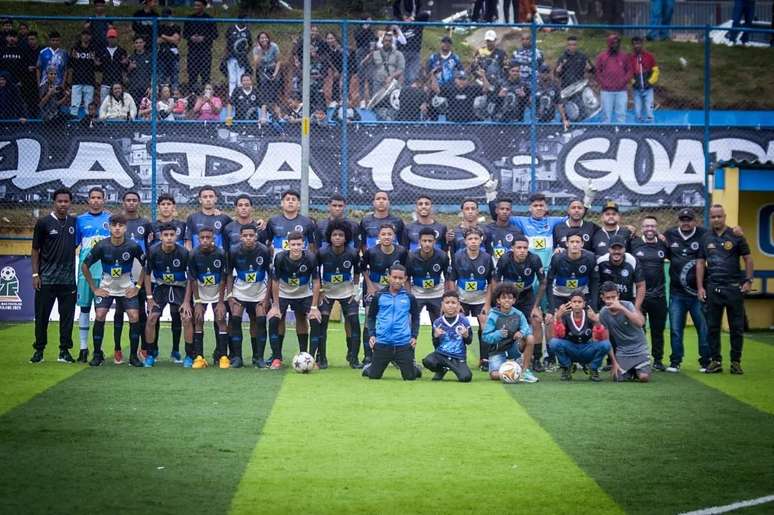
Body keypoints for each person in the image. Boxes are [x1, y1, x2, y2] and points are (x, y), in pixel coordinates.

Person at [81, 214, 145, 367]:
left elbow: (146, 265)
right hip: (106, 288)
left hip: (126, 288)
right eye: (114, 225)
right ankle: (97, 355)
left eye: (120, 225)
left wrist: (137, 287)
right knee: (100, 314)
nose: (117, 228)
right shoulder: (102, 245)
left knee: (134, 316)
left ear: (125, 228)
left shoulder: (133, 246)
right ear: (109, 227)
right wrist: (94, 288)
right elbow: (84, 265)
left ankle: (133, 357)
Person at [696, 204, 754, 375]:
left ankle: (736, 362)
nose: (716, 219)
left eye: (719, 216)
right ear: (710, 218)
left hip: (734, 289)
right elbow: (700, 263)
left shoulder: (736, 235)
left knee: (736, 327)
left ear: (724, 216)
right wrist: (700, 287)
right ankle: (716, 361)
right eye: (713, 217)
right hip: (713, 288)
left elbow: (748, 260)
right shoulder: (705, 237)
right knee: (713, 327)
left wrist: (748, 281)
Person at [29, 187, 77, 364]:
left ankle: (64, 351)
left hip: (68, 281)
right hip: (46, 279)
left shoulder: (74, 222)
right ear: (54, 202)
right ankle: (39, 351)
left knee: (67, 319)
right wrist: (35, 274)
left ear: (70, 203)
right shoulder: (43, 223)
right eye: (60, 201)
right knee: (41, 317)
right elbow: (35, 250)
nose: (63, 204)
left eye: (66, 201)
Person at [267, 231, 322, 369]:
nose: (296, 247)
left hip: (304, 294)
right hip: (283, 294)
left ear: (303, 245)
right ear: (288, 245)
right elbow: (275, 281)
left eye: (299, 244)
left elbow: (316, 282)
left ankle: (309, 357)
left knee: (313, 320)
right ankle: (276, 357)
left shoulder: (310, 257)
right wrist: (275, 305)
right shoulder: (279, 257)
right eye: (293, 244)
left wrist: (314, 307)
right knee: (275, 319)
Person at [665, 208, 709, 372]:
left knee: (702, 328)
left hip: (698, 293)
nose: (685, 222)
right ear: (679, 221)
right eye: (682, 219)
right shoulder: (670, 234)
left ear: (695, 221)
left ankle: (705, 361)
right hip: (677, 293)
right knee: (676, 329)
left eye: (688, 219)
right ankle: (675, 362)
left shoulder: (704, 234)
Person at [494, 234, 546, 373]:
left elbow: (543, 283)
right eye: (519, 248)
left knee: (536, 321)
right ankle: (502, 356)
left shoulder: (534, 259)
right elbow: (496, 281)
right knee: (503, 322)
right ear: (512, 249)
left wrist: (536, 307)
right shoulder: (504, 259)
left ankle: (537, 358)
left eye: (525, 248)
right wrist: (498, 301)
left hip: (527, 295)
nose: (522, 250)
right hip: (509, 295)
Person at [314, 220, 361, 369]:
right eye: (334, 235)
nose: (338, 237)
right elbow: (316, 274)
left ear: (346, 237)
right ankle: (321, 357)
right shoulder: (322, 252)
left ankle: (353, 357)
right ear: (330, 237)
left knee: (353, 321)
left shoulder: (353, 253)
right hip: (327, 291)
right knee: (323, 322)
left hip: (347, 292)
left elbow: (357, 273)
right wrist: (321, 291)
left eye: (341, 235)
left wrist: (355, 291)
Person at [143, 223, 191, 368]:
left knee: (186, 318)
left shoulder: (184, 253)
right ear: (160, 236)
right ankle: (150, 354)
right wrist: (149, 298)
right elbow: (146, 274)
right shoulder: (153, 251)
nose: (169, 238)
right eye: (166, 235)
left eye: (172, 235)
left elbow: (190, 278)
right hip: (161, 288)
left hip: (179, 288)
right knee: (151, 318)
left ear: (176, 236)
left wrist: (187, 301)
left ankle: (187, 355)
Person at [361, 223, 409, 365]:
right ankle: (368, 356)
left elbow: (407, 272)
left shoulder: (402, 252)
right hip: (375, 288)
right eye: (383, 234)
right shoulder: (371, 252)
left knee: (395, 321)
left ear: (394, 236)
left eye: (389, 234)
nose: (386, 237)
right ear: (378, 236)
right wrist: (370, 285)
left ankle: (396, 356)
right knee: (370, 319)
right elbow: (363, 268)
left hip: (395, 289)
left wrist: (406, 291)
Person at [364, 264, 421, 380]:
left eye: (400, 278)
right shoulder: (379, 296)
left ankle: (414, 369)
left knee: (410, 377)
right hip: (383, 342)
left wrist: (414, 336)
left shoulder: (409, 297)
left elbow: (415, 317)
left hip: (403, 343)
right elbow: (371, 317)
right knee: (374, 376)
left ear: (405, 279)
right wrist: (372, 335)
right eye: (394, 277)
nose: (397, 281)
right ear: (388, 277)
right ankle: (370, 368)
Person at [226, 223, 271, 369]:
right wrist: (230, 295)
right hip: (240, 291)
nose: (248, 238)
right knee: (235, 320)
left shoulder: (263, 250)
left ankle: (258, 358)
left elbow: (271, 276)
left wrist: (266, 298)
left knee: (260, 320)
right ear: (240, 237)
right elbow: (228, 273)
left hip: (259, 292)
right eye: (245, 236)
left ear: (256, 237)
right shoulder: (233, 251)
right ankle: (238, 358)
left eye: (251, 235)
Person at [148, 193, 186, 363]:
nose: (165, 206)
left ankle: (176, 350)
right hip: (159, 278)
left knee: (176, 314)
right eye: (162, 204)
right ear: (158, 207)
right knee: (153, 315)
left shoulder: (183, 225)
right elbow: (147, 247)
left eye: (169, 203)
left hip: (178, 280)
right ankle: (152, 349)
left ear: (173, 207)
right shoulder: (151, 226)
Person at [449, 227, 494, 371]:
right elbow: (451, 280)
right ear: (465, 241)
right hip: (462, 299)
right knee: (458, 326)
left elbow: (492, 283)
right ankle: (458, 358)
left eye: (476, 239)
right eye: (470, 239)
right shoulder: (457, 256)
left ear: (481, 240)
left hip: (480, 299)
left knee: (485, 324)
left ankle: (485, 359)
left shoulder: (487, 258)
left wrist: (487, 304)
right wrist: (456, 302)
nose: (473, 241)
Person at [74, 187, 111, 363]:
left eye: (99, 197)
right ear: (88, 200)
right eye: (93, 197)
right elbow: (74, 245)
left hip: (104, 272)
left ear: (104, 200)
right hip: (85, 272)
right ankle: (83, 348)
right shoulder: (79, 221)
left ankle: (99, 349)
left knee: (100, 311)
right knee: (84, 308)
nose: (96, 200)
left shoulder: (110, 220)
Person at [630, 216, 669, 371]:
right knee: (638, 330)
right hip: (640, 296)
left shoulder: (663, 245)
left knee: (657, 330)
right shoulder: (634, 244)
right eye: (647, 226)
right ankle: (641, 359)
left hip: (658, 296)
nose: (650, 229)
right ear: (642, 228)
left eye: (653, 226)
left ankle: (658, 360)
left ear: (657, 227)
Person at [187, 227, 229, 369]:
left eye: (208, 237)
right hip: (201, 292)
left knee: (221, 319)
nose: (205, 240)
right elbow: (192, 280)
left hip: (218, 292)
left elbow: (223, 279)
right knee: (198, 320)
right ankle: (199, 357)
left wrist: (222, 302)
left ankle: (223, 356)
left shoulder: (221, 253)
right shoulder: (193, 254)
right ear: (198, 239)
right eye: (202, 238)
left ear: (213, 239)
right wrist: (197, 302)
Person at [481, 282, 538, 383]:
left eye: (510, 298)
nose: (507, 300)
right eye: (504, 297)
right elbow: (485, 337)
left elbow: (526, 329)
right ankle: (513, 372)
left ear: (514, 300)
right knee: (494, 376)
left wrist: (521, 332)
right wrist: (498, 334)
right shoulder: (493, 315)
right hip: (498, 351)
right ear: (498, 300)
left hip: (513, 348)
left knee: (530, 338)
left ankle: (524, 371)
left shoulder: (518, 314)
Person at [549, 290, 611, 382]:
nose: (577, 304)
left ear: (584, 303)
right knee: (553, 342)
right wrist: (558, 318)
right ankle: (567, 366)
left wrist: (597, 322)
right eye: (574, 302)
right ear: (570, 303)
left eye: (579, 302)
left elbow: (600, 338)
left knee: (606, 344)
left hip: (587, 350)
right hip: (571, 350)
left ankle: (593, 368)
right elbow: (559, 336)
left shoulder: (590, 315)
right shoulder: (565, 316)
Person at [598, 281, 651, 382]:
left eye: (613, 297)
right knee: (617, 378)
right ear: (602, 298)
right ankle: (631, 371)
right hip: (623, 351)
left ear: (618, 295)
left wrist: (622, 308)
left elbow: (640, 323)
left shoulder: (628, 305)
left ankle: (638, 369)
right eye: (608, 298)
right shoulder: (603, 313)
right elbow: (606, 339)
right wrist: (614, 362)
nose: (611, 300)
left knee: (644, 378)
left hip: (640, 349)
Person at [406, 227, 451, 330]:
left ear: (434, 242)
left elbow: (448, 277)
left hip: (437, 293)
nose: (427, 244)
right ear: (419, 242)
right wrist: (409, 296)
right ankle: (410, 345)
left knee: (440, 328)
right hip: (417, 293)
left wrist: (445, 296)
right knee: (411, 325)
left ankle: (439, 346)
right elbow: (406, 279)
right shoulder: (411, 257)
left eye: (430, 241)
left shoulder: (443, 256)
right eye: (424, 241)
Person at [423, 291, 473, 382]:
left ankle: (452, 368)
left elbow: (469, 341)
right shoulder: (437, 322)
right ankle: (441, 370)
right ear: (442, 304)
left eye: (453, 303)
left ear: (458, 305)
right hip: (441, 355)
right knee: (427, 361)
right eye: (447, 303)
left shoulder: (464, 322)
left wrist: (466, 335)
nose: (450, 305)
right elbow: (436, 344)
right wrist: (436, 336)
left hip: (458, 357)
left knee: (465, 377)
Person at [597, 235, 645, 311]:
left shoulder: (632, 261)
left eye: (620, 249)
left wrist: (636, 308)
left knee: (639, 321)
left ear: (625, 249)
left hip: (628, 302)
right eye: (613, 249)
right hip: (607, 304)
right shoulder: (601, 261)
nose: (616, 252)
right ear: (609, 249)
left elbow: (641, 286)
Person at [595, 34, 631, 124]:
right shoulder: (602, 57)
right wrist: (603, 83)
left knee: (621, 114)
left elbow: (630, 70)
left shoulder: (624, 56)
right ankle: (605, 133)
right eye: (613, 43)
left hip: (621, 90)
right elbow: (597, 71)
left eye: (617, 43)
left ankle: (621, 133)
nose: (615, 45)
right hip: (606, 91)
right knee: (606, 115)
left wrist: (623, 81)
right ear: (609, 44)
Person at [183, 0, 218, 91]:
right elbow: (185, 34)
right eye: (195, 5)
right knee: (192, 73)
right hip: (193, 50)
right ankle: (192, 94)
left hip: (205, 51)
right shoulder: (189, 18)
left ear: (204, 6)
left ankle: (205, 94)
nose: (196, 7)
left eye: (198, 5)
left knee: (205, 74)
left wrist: (204, 38)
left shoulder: (210, 19)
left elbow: (215, 34)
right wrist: (191, 37)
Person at [185, 185, 232, 250]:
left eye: (211, 196)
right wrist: (190, 256)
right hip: (197, 258)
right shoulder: (192, 218)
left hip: (218, 258)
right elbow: (188, 241)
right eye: (205, 197)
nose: (208, 199)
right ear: (200, 200)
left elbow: (231, 240)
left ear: (215, 199)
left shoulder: (224, 218)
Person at [485, 197, 524, 264]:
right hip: (490, 267)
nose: (504, 211)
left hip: (509, 268)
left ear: (511, 211)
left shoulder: (517, 231)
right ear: (496, 210)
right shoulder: (487, 229)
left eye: (507, 209)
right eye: (502, 209)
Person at [630, 36, 658, 123]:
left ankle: (651, 125)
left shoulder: (649, 56)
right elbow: (628, 73)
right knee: (637, 111)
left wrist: (650, 82)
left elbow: (656, 71)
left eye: (638, 44)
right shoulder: (631, 58)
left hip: (648, 89)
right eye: (635, 44)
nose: (637, 46)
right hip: (636, 89)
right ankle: (638, 126)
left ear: (642, 44)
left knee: (649, 110)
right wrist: (633, 82)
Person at [252, 31, 280, 117]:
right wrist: (260, 52)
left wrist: (275, 73)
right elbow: (255, 64)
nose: (264, 39)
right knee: (264, 92)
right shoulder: (256, 49)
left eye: (265, 37)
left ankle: (277, 115)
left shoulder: (274, 46)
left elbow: (278, 61)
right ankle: (264, 115)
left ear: (268, 38)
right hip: (262, 71)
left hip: (273, 69)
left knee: (274, 93)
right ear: (259, 40)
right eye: (261, 38)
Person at [224, 12, 252, 96]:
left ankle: (241, 97)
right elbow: (227, 43)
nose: (246, 21)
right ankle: (231, 97)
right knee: (232, 79)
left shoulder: (247, 31)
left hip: (241, 58)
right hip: (231, 57)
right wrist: (225, 55)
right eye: (245, 19)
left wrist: (244, 53)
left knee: (240, 79)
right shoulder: (231, 28)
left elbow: (250, 45)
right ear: (240, 19)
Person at [97, 28, 128, 103]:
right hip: (105, 82)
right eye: (110, 37)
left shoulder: (121, 51)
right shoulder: (102, 51)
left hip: (118, 82)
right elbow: (98, 67)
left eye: (113, 37)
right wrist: (97, 64)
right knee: (104, 104)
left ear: (116, 38)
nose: (112, 39)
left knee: (118, 103)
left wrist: (125, 63)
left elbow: (125, 68)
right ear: (107, 38)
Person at [396, 11, 427, 87]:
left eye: (407, 18)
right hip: (403, 53)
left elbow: (425, 14)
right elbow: (398, 42)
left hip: (414, 53)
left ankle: (410, 91)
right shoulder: (402, 28)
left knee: (412, 76)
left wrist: (414, 18)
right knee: (403, 75)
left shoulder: (417, 25)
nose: (406, 20)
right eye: (404, 19)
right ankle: (404, 91)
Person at [536, 64, 569, 129]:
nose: (545, 74)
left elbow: (560, 103)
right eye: (543, 72)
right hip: (536, 119)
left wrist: (564, 119)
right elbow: (529, 103)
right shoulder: (535, 85)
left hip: (551, 119)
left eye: (547, 72)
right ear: (539, 73)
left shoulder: (554, 85)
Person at [354, 16, 377, 107]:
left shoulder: (371, 31)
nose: (370, 22)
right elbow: (358, 38)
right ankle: (362, 100)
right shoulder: (358, 29)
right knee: (361, 77)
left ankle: (371, 99)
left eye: (371, 20)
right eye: (368, 20)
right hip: (361, 52)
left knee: (370, 77)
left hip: (370, 52)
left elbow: (374, 40)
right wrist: (365, 28)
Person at [157, 8, 181, 91]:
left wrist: (163, 36)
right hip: (162, 54)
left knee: (174, 76)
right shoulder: (160, 27)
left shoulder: (176, 27)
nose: (165, 19)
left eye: (167, 16)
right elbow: (158, 41)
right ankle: (162, 92)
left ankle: (174, 92)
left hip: (173, 55)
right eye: (164, 17)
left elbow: (176, 41)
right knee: (161, 76)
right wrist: (170, 38)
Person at [127, 36, 151, 106]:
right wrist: (130, 68)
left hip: (146, 89)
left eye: (140, 42)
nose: (138, 44)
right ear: (134, 45)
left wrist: (151, 87)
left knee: (146, 110)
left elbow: (153, 73)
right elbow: (125, 75)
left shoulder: (149, 56)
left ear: (144, 43)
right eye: (136, 43)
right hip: (133, 88)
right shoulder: (131, 57)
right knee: (134, 109)